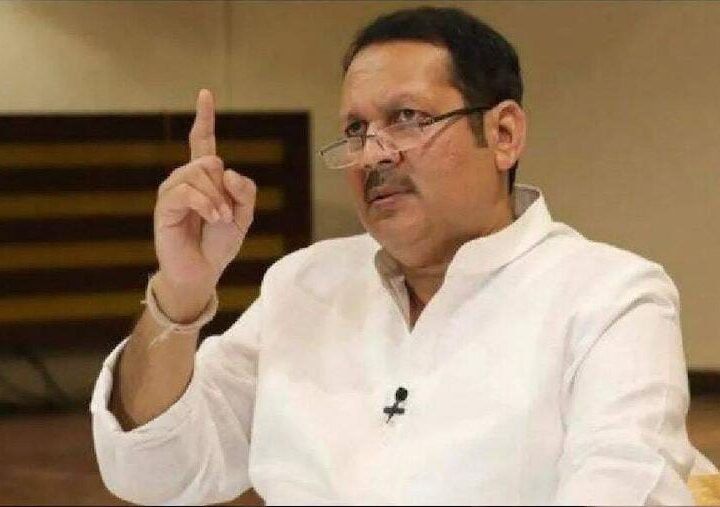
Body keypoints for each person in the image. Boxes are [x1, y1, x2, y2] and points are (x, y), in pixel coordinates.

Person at [91, 7, 700, 505]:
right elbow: (154, 472)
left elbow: (623, 485)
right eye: (356, 130)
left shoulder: (611, 298)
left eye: (407, 118)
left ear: (504, 134)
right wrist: (180, 293)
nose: (374, 153)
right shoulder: (303, 284)